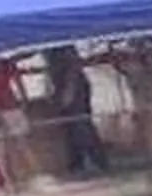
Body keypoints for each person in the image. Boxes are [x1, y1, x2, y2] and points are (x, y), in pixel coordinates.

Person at [41, 45, 108, 177]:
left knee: (80, 124)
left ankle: (96, 161)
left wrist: (70, 91)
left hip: (75, 86)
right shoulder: (45, 47)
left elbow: (74, 66)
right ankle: (78, 164)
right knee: (69, 126)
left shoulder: (63, 46)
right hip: (60, 85)